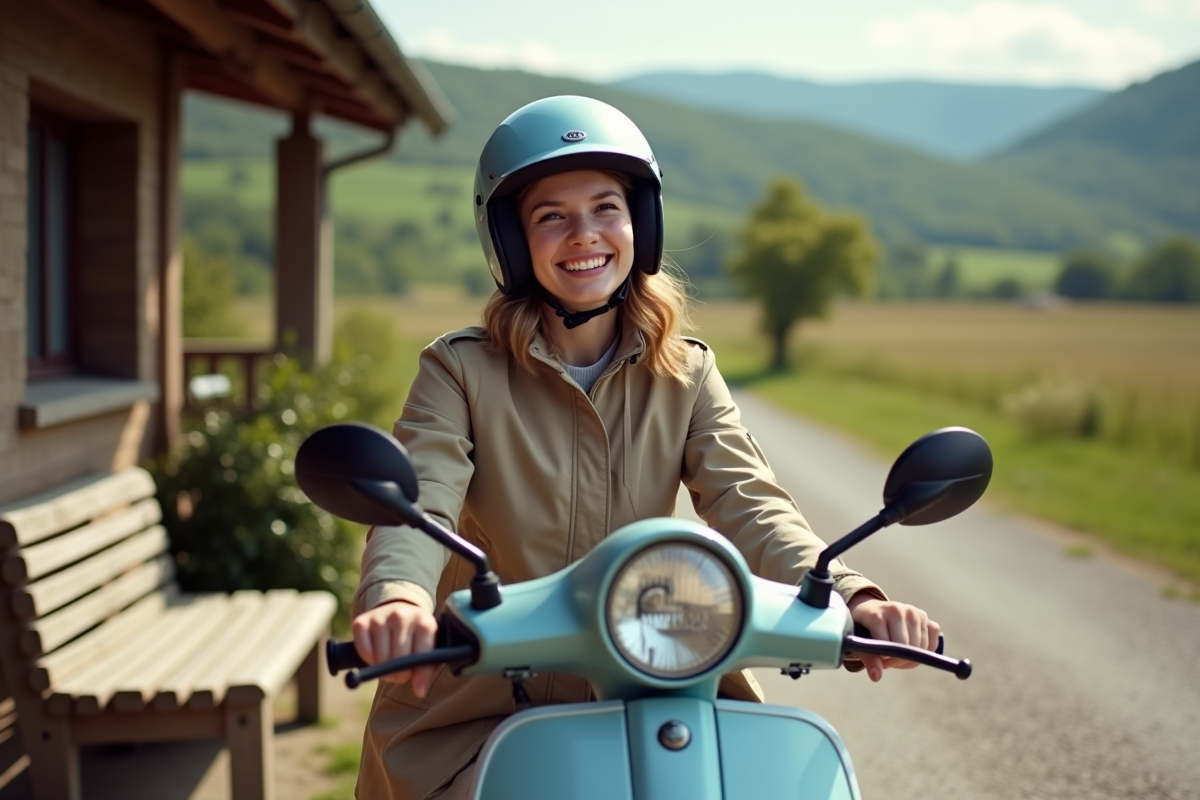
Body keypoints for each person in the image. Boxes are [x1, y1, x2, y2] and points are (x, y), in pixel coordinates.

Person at [349, 95, 942, 800]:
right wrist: (399, 597)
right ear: (510, 240)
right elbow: (421, 497)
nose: (584, 235)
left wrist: (851, 594)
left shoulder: (686, 371)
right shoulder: (460, 371)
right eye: (551, 216)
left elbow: (749, 502)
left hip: (659, 688)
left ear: (642, 224)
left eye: (606, 208)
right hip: (480, 707)